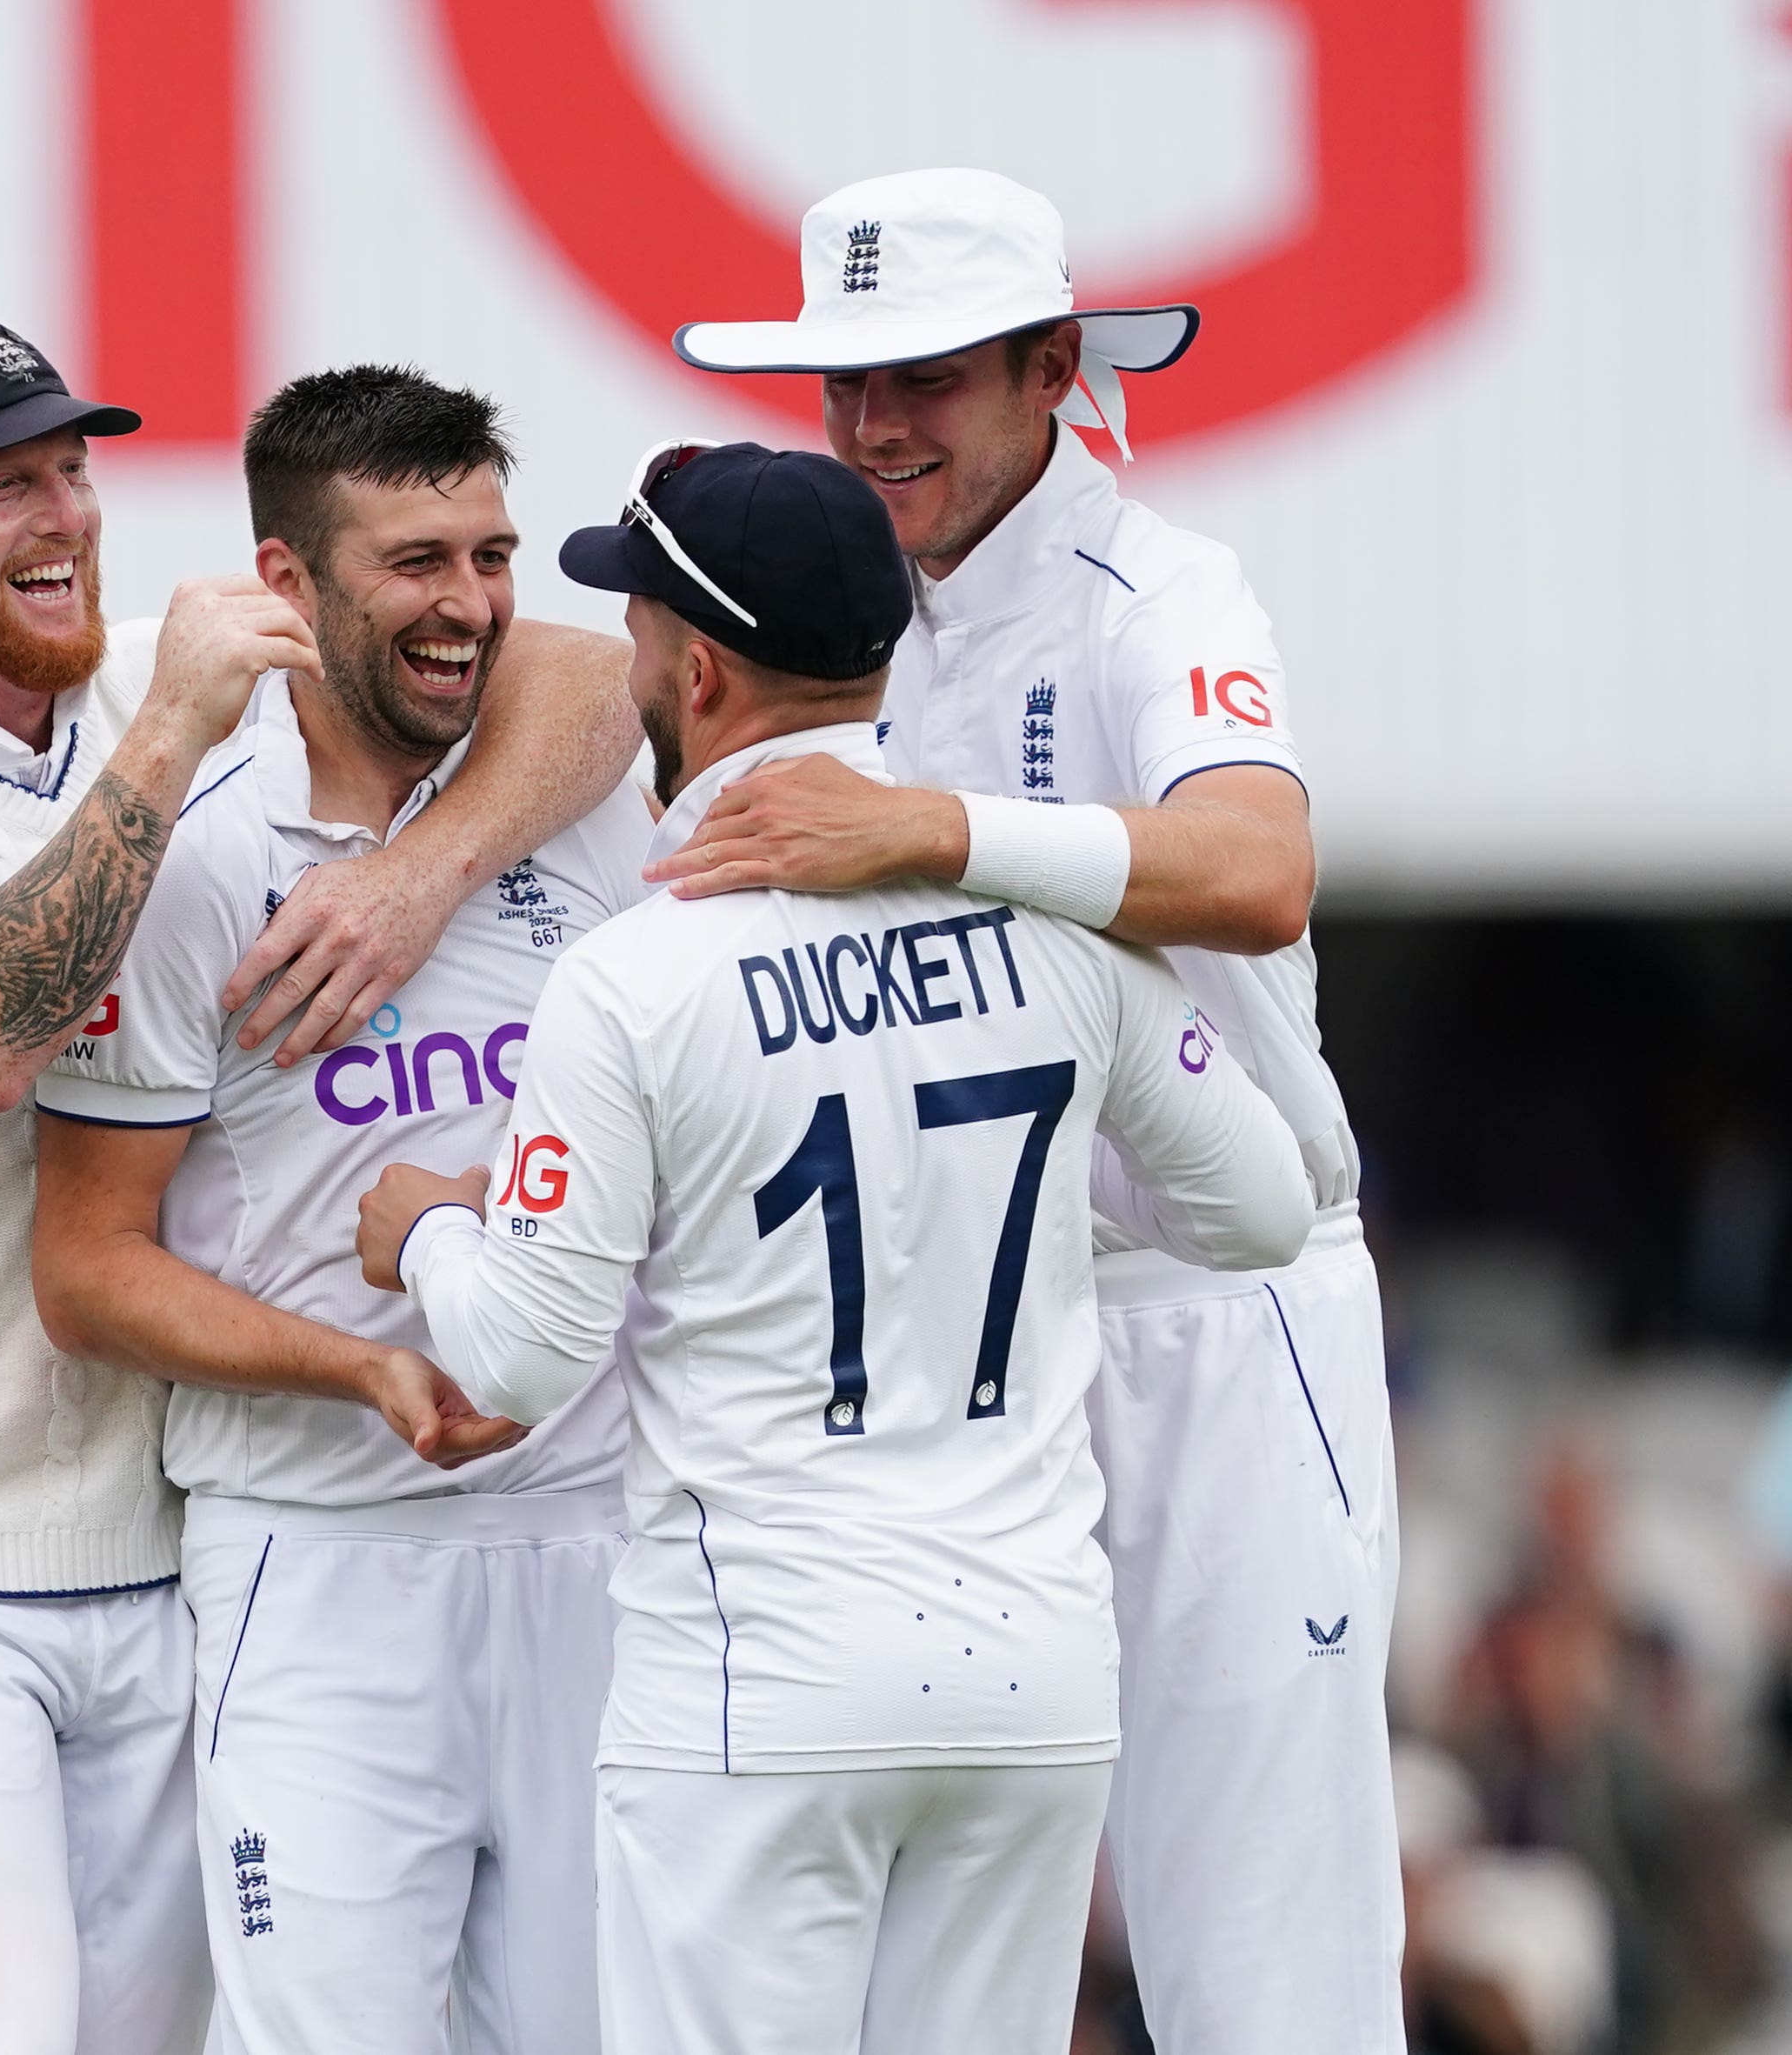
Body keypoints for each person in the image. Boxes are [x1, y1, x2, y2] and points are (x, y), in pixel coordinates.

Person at [0, 317, 636, 2055]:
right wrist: (166, 740)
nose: (61, 516)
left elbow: (583, 675)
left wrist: (418, 875)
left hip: (167, 1538)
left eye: (72, 468)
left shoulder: (156, 675)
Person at [354, 439, 1314, 2054]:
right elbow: (1262, 1208)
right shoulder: (1053, 927)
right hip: (1031, 1678)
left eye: (644, 631)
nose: (629, 663)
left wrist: (434, 1228)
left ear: (703, 671)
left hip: (762, 1682)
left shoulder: (638, 973)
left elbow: (522, 1351)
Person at [657, 168, 1406, 2051]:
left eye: (919, 377)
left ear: (1049, 369)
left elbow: (1256, 870)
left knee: (1258, 1954)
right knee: (953, 1954)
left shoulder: (1158, 587)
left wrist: (928, 830)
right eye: (841, 384)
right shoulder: (842, 600)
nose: (869, 425)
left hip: (1223, 1317)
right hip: (989, 1352)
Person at [24, 366, 649, 2053]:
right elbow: (86, 1270)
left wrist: (413, 872)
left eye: (489, 553)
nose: (469, 607)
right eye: (415, 564)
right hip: (318, 1563)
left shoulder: (571, 788)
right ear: (285, 588)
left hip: (601, 1537)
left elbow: (597, 665)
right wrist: (357, 1368)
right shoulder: (192, 859)